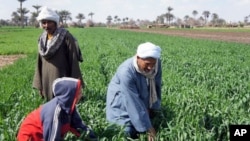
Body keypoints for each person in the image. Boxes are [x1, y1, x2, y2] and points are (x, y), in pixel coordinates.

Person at [106, 42, 162, 140]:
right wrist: (148, 128)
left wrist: (152, 107)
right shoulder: (126, 72)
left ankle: (143, 120)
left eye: (153, 63)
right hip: (121, 104)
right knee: (126, 132)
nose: (151, 67)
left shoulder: (156, 64)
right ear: (138, 57)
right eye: (147, 64)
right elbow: (133, 102)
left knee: (153, 119)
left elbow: (156, 86)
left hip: (138, 95)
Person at [17, 77, 97, 141]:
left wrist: (94, 138)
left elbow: (79, 126)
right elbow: (52, 138)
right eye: (78, 93)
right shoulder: (54, 111)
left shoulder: (69, 107)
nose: (81, 95)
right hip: (32, 137)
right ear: (68, 94)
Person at [32, 6, 84, 101]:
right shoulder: (42, 39)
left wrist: (76, 87)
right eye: (44, 23)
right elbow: (39, 63)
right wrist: (40, 85)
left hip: (62, 79)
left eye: (49, 22)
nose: (46, 26)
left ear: (55, 23)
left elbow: (73, 61)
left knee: (63, 105)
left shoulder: (66, 37)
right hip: (46, 80)